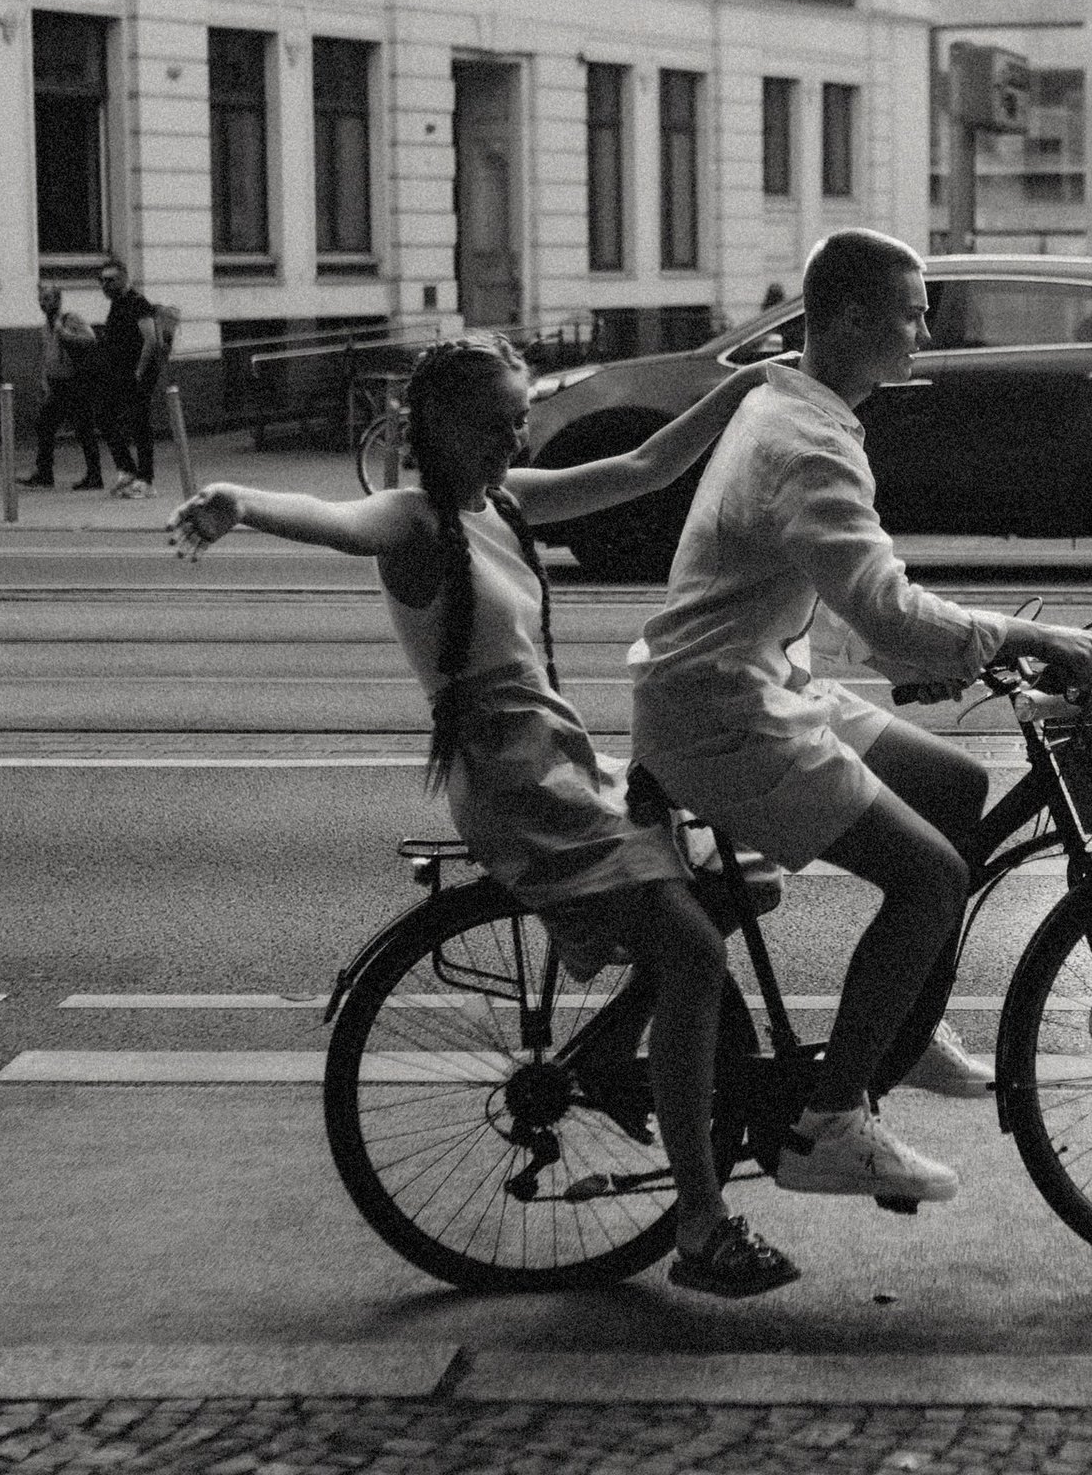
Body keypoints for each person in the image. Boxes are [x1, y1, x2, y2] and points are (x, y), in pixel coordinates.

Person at [168, 341, 794, 1296]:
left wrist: (742, 385)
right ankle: (701, 1227)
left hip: (560, 757)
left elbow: (640, 469)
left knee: (745, 881)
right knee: (698, 952)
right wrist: (237, 502)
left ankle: (625, 1061)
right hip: (513, 778)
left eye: (519, 417)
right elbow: (338, 519)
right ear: (445, 427)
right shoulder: (416, 520)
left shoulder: (501, 504)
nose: (516, 434)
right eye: (501, 420)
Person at [630, 226, 1092, 1212]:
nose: (926, 328)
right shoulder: (808, 437)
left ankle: (898, 1022)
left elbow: (821, 585)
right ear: (848, 317)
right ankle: (830, 1121)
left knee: (956, 786)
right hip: (724, 714)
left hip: (754, 677)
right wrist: (1028, 637)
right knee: (931, 877)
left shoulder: (791, 400)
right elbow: (879, 601)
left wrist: (912, 660)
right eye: (912, 310)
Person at [91, 255, 176, 495]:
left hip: (137, 373)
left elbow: (150, 339)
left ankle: (146, 480)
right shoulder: (117, 303)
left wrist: (139, 370)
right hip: (119, 372)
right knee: (105, 415)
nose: (105, 286)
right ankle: (127, 469)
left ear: (124, 279)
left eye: (110, 280)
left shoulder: (137, 302)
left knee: (139, 422)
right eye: (102, 281)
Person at [25, 275, 105, 491]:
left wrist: (65, 334)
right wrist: (44, 381)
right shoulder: (45, 327)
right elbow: (46, 356)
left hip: (76, 383)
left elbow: (90, 340)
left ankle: (95, 476)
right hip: (58, 384)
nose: (44, 303)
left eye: (48, 299)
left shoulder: (71, 319)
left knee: (84, 429)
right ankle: (44, 473)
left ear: (58, 300)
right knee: (44, 425)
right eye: (41, 299)